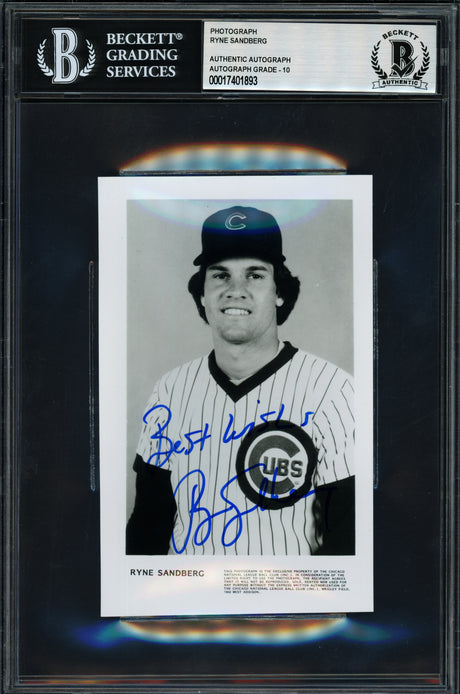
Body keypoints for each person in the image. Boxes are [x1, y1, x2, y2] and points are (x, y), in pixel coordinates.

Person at [126, 205, 355, 556]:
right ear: (202, 294)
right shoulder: (170, 391)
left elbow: (348, 541)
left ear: (279, 292)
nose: (236, 290)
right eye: (220, 275)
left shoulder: (333, 391)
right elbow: (146, 531)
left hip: (289, 590)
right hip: (187, 590)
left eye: (255, 275)